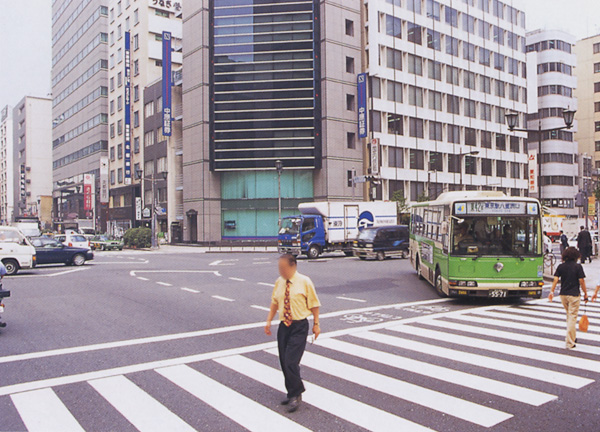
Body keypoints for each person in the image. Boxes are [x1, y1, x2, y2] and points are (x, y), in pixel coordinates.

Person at [265, 254, 321, 413]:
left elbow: (314, 304)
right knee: (284, 361)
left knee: (291, 361)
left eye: (283, 267)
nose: (281, 270)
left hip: (299, 326)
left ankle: (297, 393)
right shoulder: (279, 282)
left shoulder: (304, 281)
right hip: (284, 326)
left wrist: (316, 324)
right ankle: (291, 392)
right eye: (279, 268)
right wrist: (269, 321)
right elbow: (275, 302)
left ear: (293, 266)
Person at [548, 247, 588, 349]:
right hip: (574, 295)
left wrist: (551, 292)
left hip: (563, 295)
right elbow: (581, 281)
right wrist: (585, 293)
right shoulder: (578, 267)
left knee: (569, 316)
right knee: (572, 317)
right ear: (576, 256)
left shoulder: (561, 266)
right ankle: (570, 342)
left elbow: (555, 280)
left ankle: (572, 337)